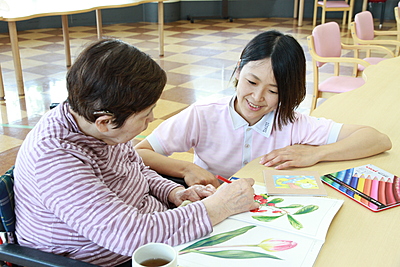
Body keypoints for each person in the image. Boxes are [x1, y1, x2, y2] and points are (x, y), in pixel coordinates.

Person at [13, 39, 259, 267]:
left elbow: (134, 169)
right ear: (105, 122)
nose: (151, 119)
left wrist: (174, 192)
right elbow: (131, 236)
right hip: (106, 257)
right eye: (145, 115)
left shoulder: (99, 120)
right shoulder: (56, 160)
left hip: (145, 230)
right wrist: (219, 206)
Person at [135, 30, 392, 188]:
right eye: (251, 82)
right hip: (210, 208)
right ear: (238, 69)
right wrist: (187, 169)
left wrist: (317, 153)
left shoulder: (292, 123)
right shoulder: (204, 114)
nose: (257, 98)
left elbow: (377, 139)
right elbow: (141, 152)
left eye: (274, 91)